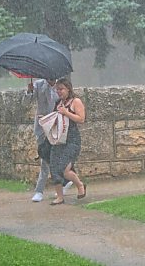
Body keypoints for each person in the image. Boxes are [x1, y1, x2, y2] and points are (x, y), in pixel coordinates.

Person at [27, 78, 73, 202]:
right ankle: (62, 181)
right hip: (42, 128)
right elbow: (26, 102)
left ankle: (42, 189)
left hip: (56, 126)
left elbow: (63, 103)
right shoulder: (38, 85)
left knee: (54, 157)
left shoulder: (60, 86)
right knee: (45, 156)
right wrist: (30, 91)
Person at [49, 77, 86, 205]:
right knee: (54, 168)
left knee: (64, 168)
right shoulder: (58, 103)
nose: (59, 92)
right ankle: (59, 197)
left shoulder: (76, 102)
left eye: (61, 89)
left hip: (72, 140)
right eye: (57, 89)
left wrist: (66, 112)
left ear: (68, 89)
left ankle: (80, 185)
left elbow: (81, 119)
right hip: (59, 140)